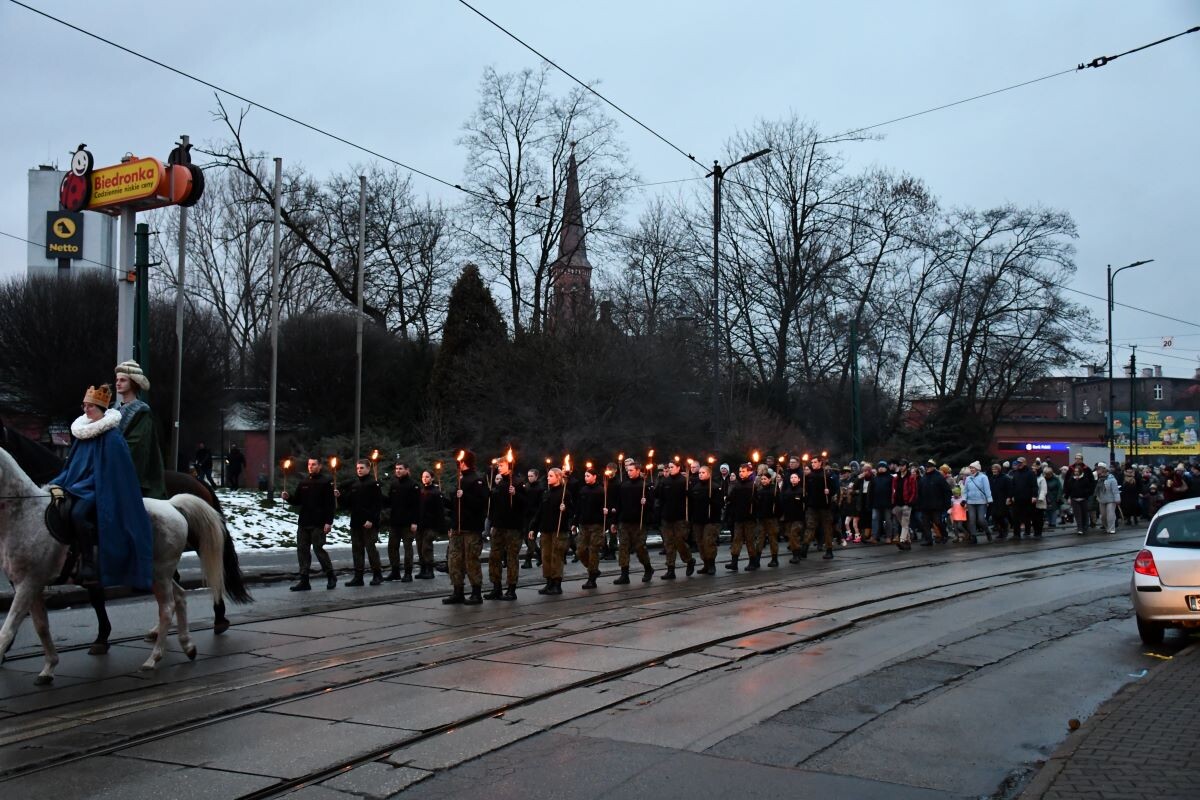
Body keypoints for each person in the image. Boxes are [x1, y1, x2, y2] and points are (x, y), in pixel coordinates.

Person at [51, 385, 154, 589]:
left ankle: (89, 563)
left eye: (90, 406)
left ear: (101, 409)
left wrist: (83, 485)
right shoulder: (83, 435)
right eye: (84, 405)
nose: (86, 409)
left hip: (99, 489)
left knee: (78, 514)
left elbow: (113, 473)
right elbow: (71, 467)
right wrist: (57, 483)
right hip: (77, 486)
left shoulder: (112, 437)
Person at [282, 457, 337, 591]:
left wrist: (328, 522)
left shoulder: (326, 482)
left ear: (319, 466)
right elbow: (297, 500)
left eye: (313, 464)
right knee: (302, 550)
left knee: (318, 549)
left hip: (319, 523)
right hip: (304, 522)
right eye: (309, 464)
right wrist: (288, 498)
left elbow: (330, 504)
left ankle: (330, 575)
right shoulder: (304, 482)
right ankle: (304, 580)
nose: (311, 467)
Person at [113, 360, 166, 500]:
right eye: (117, 380)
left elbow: (138, 445)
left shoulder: (142, 411)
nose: (118, 383)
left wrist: (112, 456)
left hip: (127, 468)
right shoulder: (113, 409)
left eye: (123, 380)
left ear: (133, 383)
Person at [444, 450, 488, 605]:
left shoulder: (477, 480)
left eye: (460, 461)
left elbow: (482, 503)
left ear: (464, 462)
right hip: (458, 527)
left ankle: (476, 592)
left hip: (471, 528)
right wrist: (452, 524)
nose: (458, 464)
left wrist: (465, 496)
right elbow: (455, 506)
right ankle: (458, 591)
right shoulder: (460, 479)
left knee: (471, 560)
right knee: (454, 559)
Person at [485, 457, 524, 599]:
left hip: (513, 527)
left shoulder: (518, 483)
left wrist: (516, 495)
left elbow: (526, 504)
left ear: (509, 466)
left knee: (511, 557)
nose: (499, 467)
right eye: (498, 465)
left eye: (502, 465)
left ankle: (511, 589)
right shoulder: (500, 484)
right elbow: (494, 506)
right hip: (498, 526)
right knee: (494, 557)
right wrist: (491, 523)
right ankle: (496, 587)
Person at [341, 459, 383, 586]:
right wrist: (340, 496)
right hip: (356, 521)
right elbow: (348, 503)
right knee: (357, 550)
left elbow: (377, 504)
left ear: (368, 469)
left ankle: (377, 574)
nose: (359, 470)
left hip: (369, 523)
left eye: (362, 468)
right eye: (358, 468)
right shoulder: (354, 484)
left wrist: (371, 520)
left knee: (370, 549)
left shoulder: (373, 484)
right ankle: (358, 577)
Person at [532, 467, 573, 595]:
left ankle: (557, 584)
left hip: (558, 530)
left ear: (558, 477)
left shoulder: (565, 493)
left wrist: (565, 509)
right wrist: (533, 527)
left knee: (557, 556)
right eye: (548, 475)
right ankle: (549, 582)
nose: (548, 478)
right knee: (546, 557)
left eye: (551, 476)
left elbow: (572, 512)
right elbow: (540, 512)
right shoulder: (546, 493)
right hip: (546, 530)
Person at [613, 461, 655, 584]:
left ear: (638, 470)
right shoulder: (623, 485)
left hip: (639, 522)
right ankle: (624, 574)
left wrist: (646, 503)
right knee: (623, 547)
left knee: (639, 547)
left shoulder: (644, 485)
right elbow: (619, 504)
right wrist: (614, 521)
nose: (629, 472)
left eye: (631, 470)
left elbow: (652, 504)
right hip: (624, 521)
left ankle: (648, 568)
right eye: (628, 470)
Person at [655, 459, 696, 578]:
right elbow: (658, 496)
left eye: (672, 467)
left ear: (678, 468)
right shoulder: (665, 481)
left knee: (680, 542)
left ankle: (689, 560)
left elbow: (692, 499)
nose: (670, 469)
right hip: (667, 516)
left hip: (680, 517)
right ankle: (670, 569)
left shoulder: (684, 481)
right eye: (669, 467)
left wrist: (689, 493)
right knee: (668, 543)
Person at [574, 465, 608, 589]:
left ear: (594, 477)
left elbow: (607, 505)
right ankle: (593, 569)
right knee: (580, 550)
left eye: (588, 476)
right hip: (583, 524)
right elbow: (579, 507)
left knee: (593, 551)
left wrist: (606, 513)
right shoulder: (583, 490)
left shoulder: (601, 491)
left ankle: (591, 578)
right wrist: (574, 522)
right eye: (585, 476)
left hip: (596, 524)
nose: (586, 478)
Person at [386, 462, 420, 582]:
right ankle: (395, 571)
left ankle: (408, 572)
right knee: (392, 547)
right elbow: (389, 501)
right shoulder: (394, 484)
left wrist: (415, 522)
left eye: (400, 468)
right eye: (396, 469)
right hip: (395, 522)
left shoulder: (413, 485)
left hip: (408, 523)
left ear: (407, 470)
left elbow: (417, 505)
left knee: (407, 548)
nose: (398, 471)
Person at [688, 462, 723, 574]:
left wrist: (711, 501)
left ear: (709, 474)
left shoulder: (715, 487)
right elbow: (693, 503)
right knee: (700, 542)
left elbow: (720, 504)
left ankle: (711, 564)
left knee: (708, 542)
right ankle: (706, 564)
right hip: (698, 519)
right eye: (700, 473)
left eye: (703, 473)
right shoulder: (696, 487)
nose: (700, 474)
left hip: (711, 519)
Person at [803, 455, 840, 559]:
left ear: (820, 463)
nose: (813, 464)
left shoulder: (826, 475)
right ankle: (804, 548)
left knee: (827, 528)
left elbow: (835, 489)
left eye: (815, 462)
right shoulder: (809, 476)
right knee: (810, 526)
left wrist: (829, 491)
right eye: (812, 462)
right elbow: (806, 490)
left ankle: (829, 550)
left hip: (825, 506)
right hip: (812, 506)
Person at [724, 462, 757, 571]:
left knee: (749, 540)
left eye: (743, 471)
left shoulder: (753, 485)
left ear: (749, 472)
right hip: (738, 517)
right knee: (736, 539)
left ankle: (752, 561)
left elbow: (758, 501)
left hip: (749, 517)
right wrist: (728, 499)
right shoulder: (737, 485)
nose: (741, 473)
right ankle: (734, 562)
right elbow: (732, 498)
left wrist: (754, 501)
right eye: (740, 471)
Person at [414, 470, 445, 579]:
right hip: (420, 524)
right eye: (423, 476)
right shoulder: (421, 491)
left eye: (427, 476)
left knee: (426, 547)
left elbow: (440, 511)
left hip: (431, 525)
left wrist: (439, 526)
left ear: (432, 478)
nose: (424, 478)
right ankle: (423, 569)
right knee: (419, 547)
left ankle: (430, 570)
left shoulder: (436, 493)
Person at [916, 460, 951, 546]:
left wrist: (947, 504)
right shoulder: (923, 478)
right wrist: (919, 503)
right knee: (925, 523)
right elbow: (919, 492)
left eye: (929, 467)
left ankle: (944, 535)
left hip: (937, 505)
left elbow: (947, 491)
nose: (927, 468)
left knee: (937, 521)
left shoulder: (939, 477)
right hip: (925, 505)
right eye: (926, 467)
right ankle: (929, 540)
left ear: (933, 467)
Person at [962, 461, 992, 544]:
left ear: (977, 468)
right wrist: (964, 499)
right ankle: (973, 536)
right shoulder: (968, 478)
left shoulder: (983, 477)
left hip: (981, 501)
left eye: (973, 468)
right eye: (970, 468)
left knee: (981, 520)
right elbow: (965, 491)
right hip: (970, 502)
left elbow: (987, 489)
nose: (971, 469)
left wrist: (989, 500)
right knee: (972, 520)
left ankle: (987, 531)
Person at [890, 459, 917, 551]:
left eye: (903, 465)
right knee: (903, 524)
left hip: (907, 504)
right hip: (897, 504)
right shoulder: (896, 478)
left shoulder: (911, 477)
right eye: (900, 465)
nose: (901, 467)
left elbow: (914, 491)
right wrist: (893, 502)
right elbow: (893, 491)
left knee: (905, 523)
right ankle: (908, 542)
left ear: (906, 466)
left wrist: (910, 502)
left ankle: (902, 540)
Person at [1008, 457, 1038, 540]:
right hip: (1017, 498)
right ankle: (1016, 534)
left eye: (1021, 462)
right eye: (1018, 463)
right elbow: (1013, 485)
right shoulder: (1016, 473)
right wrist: (1011, 496)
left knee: (1027, 516)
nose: (1019, 464)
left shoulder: (1030, 473)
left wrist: (1034, 496)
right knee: (1016, 517)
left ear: (1025, 463)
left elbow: (1034, 485)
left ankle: (1027, 531)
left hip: (1028, 498)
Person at [1064, 462, 1096, 535]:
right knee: (1078, 515)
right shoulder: (1071, 479)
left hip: (1083, 499)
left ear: (1080, 472)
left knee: (1084, 514)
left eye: (1077, 471)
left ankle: (1085, 526)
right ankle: (1080, 529)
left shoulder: (1085, 479)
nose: (1076, 473)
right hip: (1074, 499)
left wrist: (1086, 494)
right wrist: (1067, 497)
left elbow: (1089, 488)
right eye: (1075, 471)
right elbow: (1068, 489)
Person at [868, 461, 894, 544]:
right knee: (875, 519)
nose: (881, 468)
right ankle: (874, 536)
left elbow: (894, 491)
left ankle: (888, 537)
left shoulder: (891, 478)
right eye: (879, 467)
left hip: (888, 503)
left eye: (883, 467)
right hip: (876, 503)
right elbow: (870, 492)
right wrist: (870, 503)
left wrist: (893, 502)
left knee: (888, 520)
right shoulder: (874, 478)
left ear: (886, 468)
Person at [1094, 462, 1119, 535]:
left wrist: (1117, 499)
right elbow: (1096, 489)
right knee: (1103, 516)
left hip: (1111, 499)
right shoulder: (1098, 479)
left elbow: (1115, 490)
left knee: (1110, 514)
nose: (1100, 471)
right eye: (1098, 469)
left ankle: (1112, 528)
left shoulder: (1112, 479)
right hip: (1102, 499)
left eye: (1101, 469)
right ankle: (1106, 527)